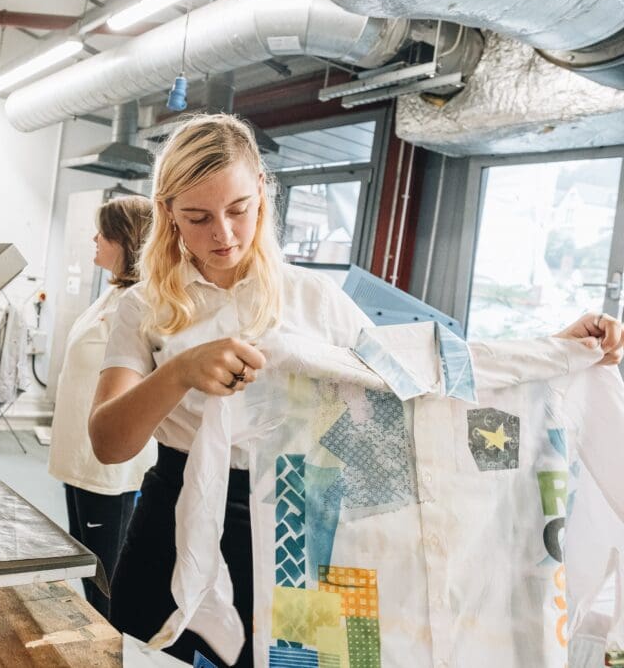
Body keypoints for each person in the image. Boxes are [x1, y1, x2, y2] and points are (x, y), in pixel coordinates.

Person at [88, 113, 624, 666]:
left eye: (238, 210)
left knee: (292, 659)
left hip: (299, 525)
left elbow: (414, 384)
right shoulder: (143, 306)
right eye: (198, 217)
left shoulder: (313, 299)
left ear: (262, 196)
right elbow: (108, 443)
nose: (222, 234)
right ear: (167, 212)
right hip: (173, 514)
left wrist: (551, 354)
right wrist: (178, 373)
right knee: (147, 654)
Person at [47, 195, 158, 620]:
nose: (95, 238)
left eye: (105, 233)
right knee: (86, 562)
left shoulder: (143, 303)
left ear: (128, 241)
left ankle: (112, 644)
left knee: (106, 575)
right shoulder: (113, 295)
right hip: (80, 456)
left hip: (106, 467)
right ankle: (100, 635)